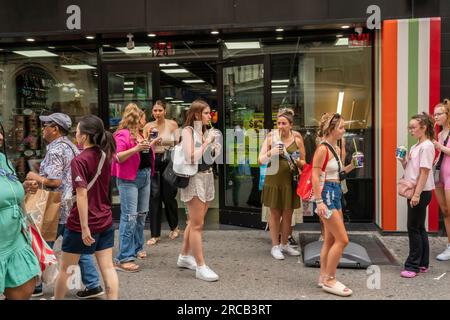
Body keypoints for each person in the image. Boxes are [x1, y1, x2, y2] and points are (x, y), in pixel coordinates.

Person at [24, 112, 103, 299]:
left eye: (46, 126)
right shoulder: (71, 146)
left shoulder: (55, 150)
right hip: (71, 206)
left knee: (41, 244)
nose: (43, 129)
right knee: (76, 246)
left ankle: (36, 286)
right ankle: (93, 284)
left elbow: (55, 181)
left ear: (55, 129)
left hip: (55, 207)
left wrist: (34, 176)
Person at [54, 115, 119, 300]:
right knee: (107, 267)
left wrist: (84, 228)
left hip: (81, 223)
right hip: (105, 219)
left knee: (65, 270)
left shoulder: (80, 160)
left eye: (77, 132)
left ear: (84, 136)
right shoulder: (106, 155)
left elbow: (81, 194)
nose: (76, 135)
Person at [311, 113, 357, 297]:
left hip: (335, 191)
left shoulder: (335, 148)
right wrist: (319, 201)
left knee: (331, 239)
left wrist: (353, 164)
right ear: (331, 129)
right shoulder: (323, 148)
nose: (344, 131)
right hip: (327, 195)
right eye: (341, 128)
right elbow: (315, 175)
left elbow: (339, 174)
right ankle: (330, 279)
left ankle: (324, 277)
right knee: (343, 240)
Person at [176, 99, 221, 282]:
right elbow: (191, 157)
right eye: (206, 113)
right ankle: (200, 266)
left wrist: (214, 147)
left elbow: (207, 158)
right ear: (196, 114)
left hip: (207, 177)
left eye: (209, 113)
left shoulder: (203, 131)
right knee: (197, 224)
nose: (209, 116)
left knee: (195, 221)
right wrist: (206, 142)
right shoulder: (187, 131)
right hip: (194, 179)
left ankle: (184, 256)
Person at [112, 104, 159, 272]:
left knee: (141, 215)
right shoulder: (122, 135)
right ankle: (123, 257)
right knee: (130, 217)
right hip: (129, 179)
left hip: (144, 176)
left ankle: (137, 248)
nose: (146, 121)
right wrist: (137, 148)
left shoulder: (139, 134)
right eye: (144, 118)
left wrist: (151, 143)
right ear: (137, 119)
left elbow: (141, 154)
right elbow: (117, 157)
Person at [258, 108, 305, 260]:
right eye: (278, 123)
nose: (280, 126)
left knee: (288, 214)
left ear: (291, 125)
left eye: (284, 123)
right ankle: (275, 246)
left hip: (290, 181)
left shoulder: (297, 139)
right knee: (274, 214)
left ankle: (285, 244)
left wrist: (297, 161)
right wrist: (271, 153)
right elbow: (260, 160)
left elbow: (304, 162)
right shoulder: (271, 138)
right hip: (273, 180)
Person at [0, 129, 40, 300]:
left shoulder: (3, 159)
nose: (1, 137)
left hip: (15, 238)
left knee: (24, 288)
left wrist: (21, 188)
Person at [398, 113, 435, 278]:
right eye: (410, 127)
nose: (410, 130)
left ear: (423, 128)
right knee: (419, 227)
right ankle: (422, 263)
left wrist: (416, 194)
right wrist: (403, 161)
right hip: (416, 190)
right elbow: (411, 170)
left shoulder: (427, 146)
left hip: (420, 191)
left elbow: (425, 172)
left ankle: (412, 266)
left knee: (413, 228)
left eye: (413, 127)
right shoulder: (415, 147)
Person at [144, 100, 180, 246]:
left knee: (169, 196)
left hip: (168, 161)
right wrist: (150, 141)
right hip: (153, 161)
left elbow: (178, 142)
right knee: (154, 196)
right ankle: (155, 234)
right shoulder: (148, 126)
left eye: (160, 110)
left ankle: (174, 227)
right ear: (152, 112)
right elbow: (144, 145)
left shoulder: (172, 124)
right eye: (155, 110)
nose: (157, 113)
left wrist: (164, 142)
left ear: (165, 111)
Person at [432, 99, 450, 261]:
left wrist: (439, 147)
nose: (435, 117)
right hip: (440, 176)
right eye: (434, 114)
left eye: (439, 114)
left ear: (447, 115)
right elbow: (441, 155)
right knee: (445, 211)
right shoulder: (439, 134)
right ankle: (449, 246)